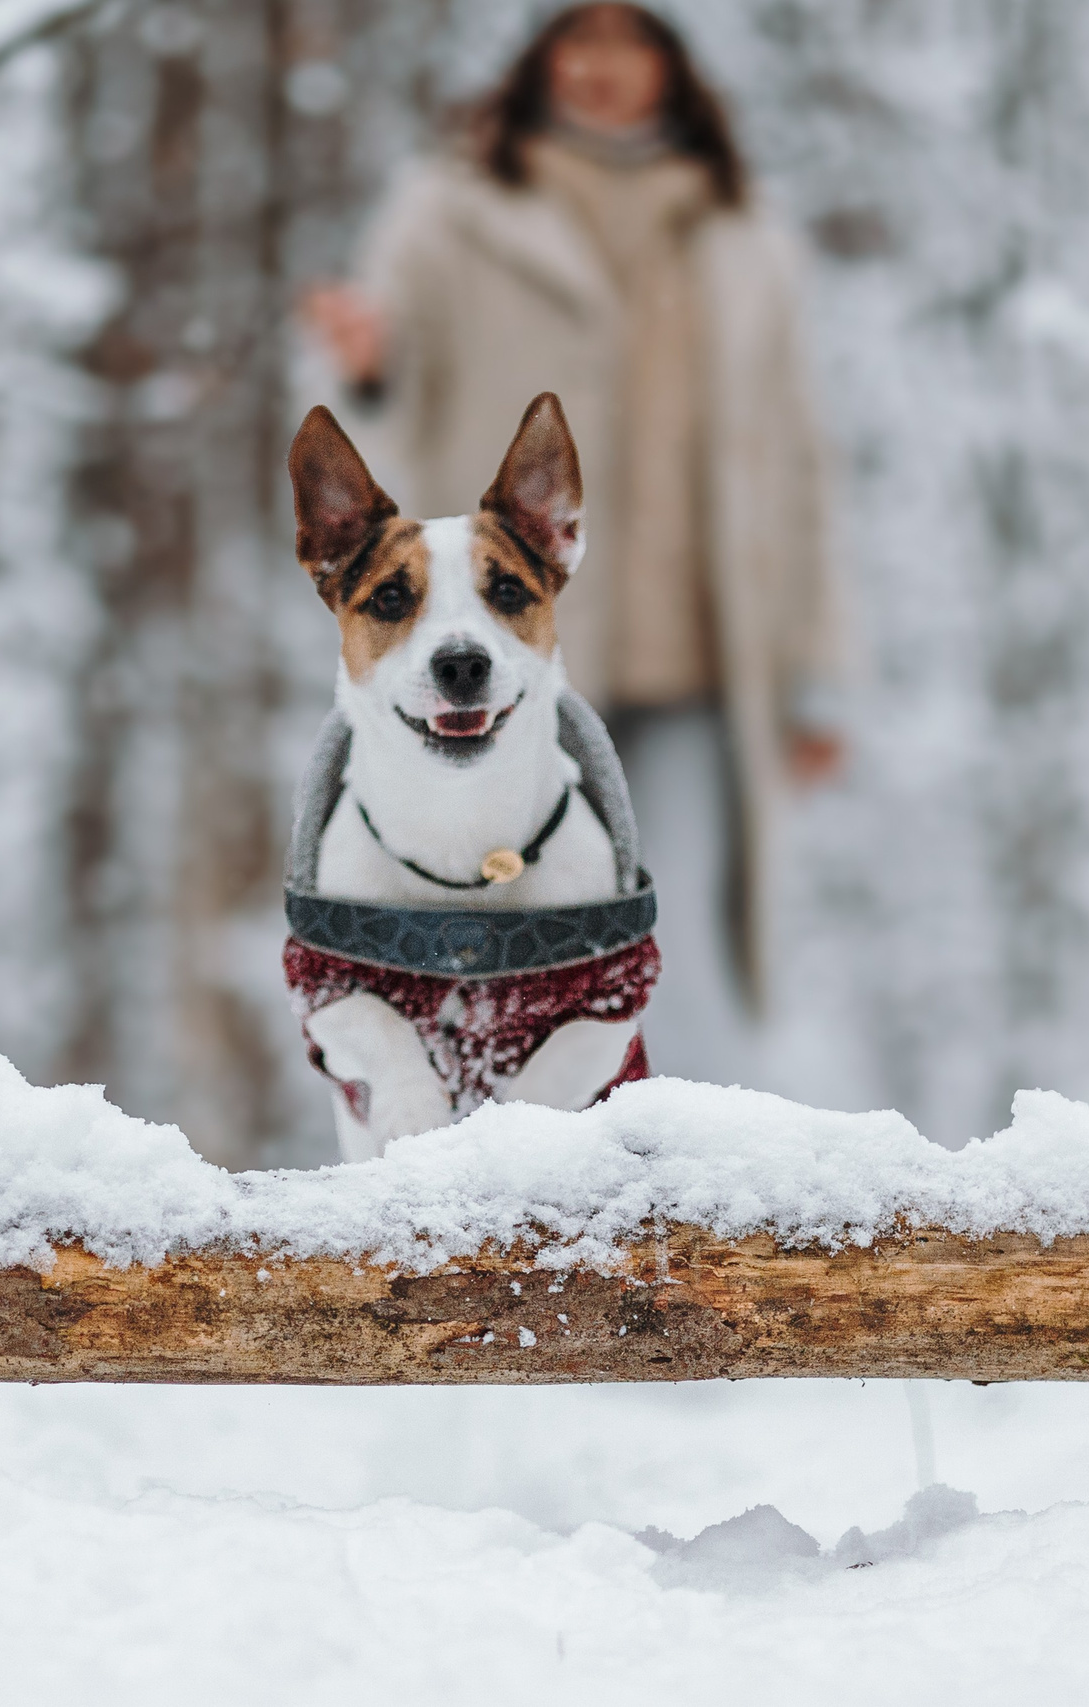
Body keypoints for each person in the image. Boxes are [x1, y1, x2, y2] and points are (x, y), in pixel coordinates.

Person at [299, 2, 846, 1085]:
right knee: (477, 927)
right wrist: (364, 368)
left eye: (630, 39)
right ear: (538, 56)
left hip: (700, 643)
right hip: (499, 640)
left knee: (668, 932)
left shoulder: (743, 234)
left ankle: (685, 1200)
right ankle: (468, 1183)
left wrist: (815, 673)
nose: (602, 66)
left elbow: (792, 454)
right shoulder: (449, 209)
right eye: (577, 39)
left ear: (673, 62)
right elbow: (376, 403)